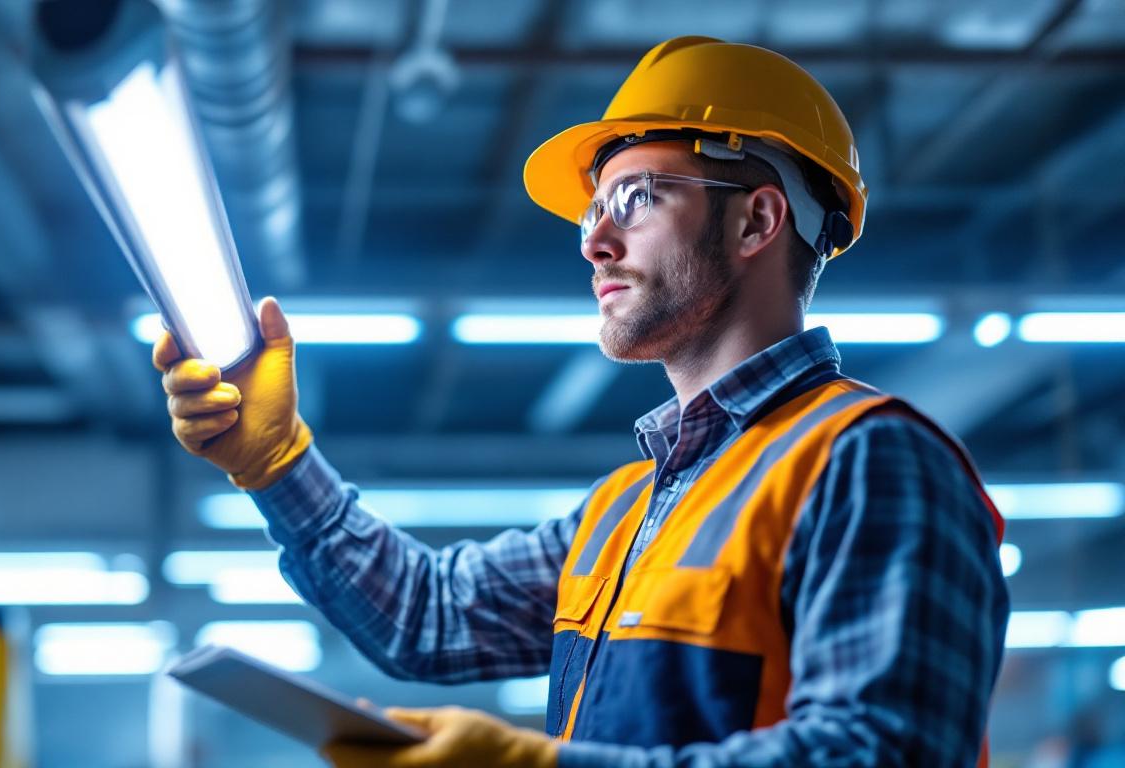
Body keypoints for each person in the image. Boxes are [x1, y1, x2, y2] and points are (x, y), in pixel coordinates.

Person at [154, 36, 1010, 768]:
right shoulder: (625, 510)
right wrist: (276, 463)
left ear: (756, 222)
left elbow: (879, 753)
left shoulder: (869, 461)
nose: (595, 241)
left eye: (635, 199)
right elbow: (427, 616)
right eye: (593, 211)